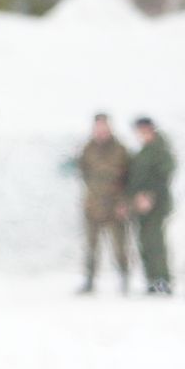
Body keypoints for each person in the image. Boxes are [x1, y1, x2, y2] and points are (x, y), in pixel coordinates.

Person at [76, 113, 131, 294]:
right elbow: (83, 173)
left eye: (103, 127)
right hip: (93, 207)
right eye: (97, 127)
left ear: (109, 128)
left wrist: (123, 203)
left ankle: (124, 280)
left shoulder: (120, 150)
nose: (100, 131)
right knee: (91, 247)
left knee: (119, 247)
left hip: (115, 207)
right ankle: (89, 282)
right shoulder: (88, 149)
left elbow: (128, 179)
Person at [127, 116, 176, 294]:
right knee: (145, 243)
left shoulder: (160, 149)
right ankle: (152, 281)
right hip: (141, 206)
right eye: (139, 130)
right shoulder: (144, 150)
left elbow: (164, 175)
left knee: (156, 244)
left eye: (144, 130)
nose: (142, 133)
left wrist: (148, 195)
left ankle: (162, 281)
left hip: (156, 205)